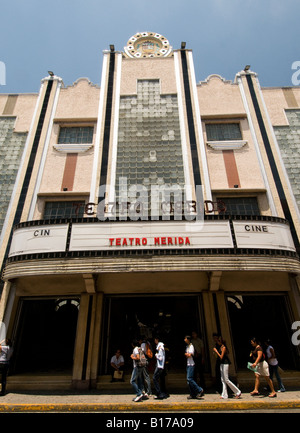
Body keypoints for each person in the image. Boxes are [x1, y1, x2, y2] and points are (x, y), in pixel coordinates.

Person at [184, 335, 204, 400]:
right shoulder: (187, 346)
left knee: (189, 379)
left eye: (185, 338)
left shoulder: (191, 346)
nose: (184, 339)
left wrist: (187, 354)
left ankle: (199, 389)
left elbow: (190, 354)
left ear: (188, 339)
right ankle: (192, 394)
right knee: (188, 381)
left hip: (191, 364)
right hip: (188, 364)